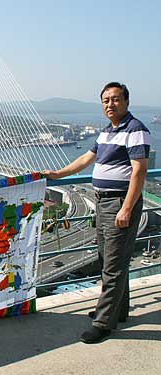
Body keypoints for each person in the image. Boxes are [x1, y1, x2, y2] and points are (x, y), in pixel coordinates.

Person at [43, 82, 150, 344]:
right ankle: (118, 311)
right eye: (105, 100)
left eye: (115, 99)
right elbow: (85, 160)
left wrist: (126, 208)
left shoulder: (135, 130)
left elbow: (139, 171)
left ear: (126, 101)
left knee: (112, 265)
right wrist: (57, 174)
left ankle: (103, 324)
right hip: (102, 203)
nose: (110, 104)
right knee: (108, 259)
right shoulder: (106, 132)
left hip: (119, 203)